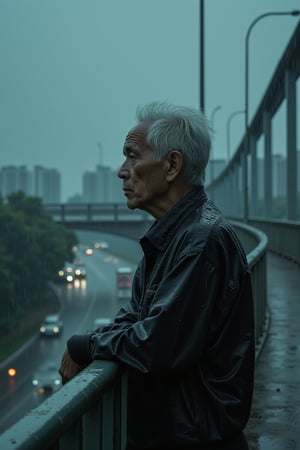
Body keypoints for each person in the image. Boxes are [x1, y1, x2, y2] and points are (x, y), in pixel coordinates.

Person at [59, 102, 255, 450]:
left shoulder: (201, 239)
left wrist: (85, 344)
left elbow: (157, 344)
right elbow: (135, 318)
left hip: (196, 437)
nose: (122, 171)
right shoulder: (172, 235)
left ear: (172, 165)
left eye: (132, 156)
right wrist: (96, 338)